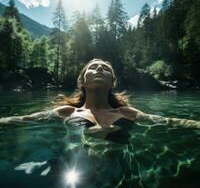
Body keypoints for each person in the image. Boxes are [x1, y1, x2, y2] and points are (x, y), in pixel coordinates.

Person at [0, 58, 200, 129]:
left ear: (112, 82)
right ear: (81, 81)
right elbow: (23, 119)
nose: (99, 69)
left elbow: (170, 122)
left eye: (105, 68)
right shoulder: (66, 112)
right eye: (93, 67)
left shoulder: (127, 113)